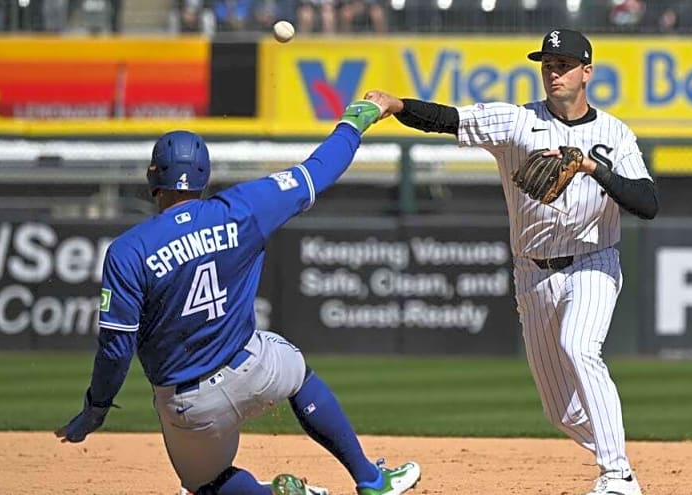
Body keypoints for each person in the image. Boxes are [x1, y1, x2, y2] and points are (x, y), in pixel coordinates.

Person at [55, 100, 422, 495]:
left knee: (205, 484)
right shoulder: (244, 207)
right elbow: (319, 169)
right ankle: (370, 480)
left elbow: (116, 349)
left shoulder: (128, 252)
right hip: (254, 368)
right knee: (297, 372)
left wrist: (97, 407)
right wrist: (356, 120)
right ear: (204, 175)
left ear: (153, 178)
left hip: (190, 403)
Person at [364, 28, 658, 495]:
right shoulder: (517, 122)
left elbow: (647, 202)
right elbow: (448, 119)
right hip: (533, 272)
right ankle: (617, 453)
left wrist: (591, 168)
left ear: (587, 73)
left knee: (580, 345)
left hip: (593, 260)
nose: (553, 72)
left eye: (563, 64)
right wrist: (397, 104)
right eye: (547, 64)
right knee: (560, 412)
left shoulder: (615, 134)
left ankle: (616, 475)